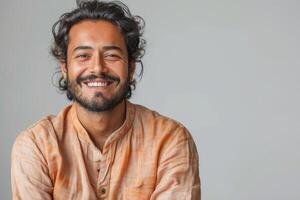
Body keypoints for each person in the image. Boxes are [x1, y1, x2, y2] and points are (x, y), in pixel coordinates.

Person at [11, 1, 201, 199]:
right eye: (83, 56)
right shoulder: (37, 146)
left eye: (111, 55)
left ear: (132, 67)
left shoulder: (169, 140)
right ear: (64, 68)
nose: (98, 68)